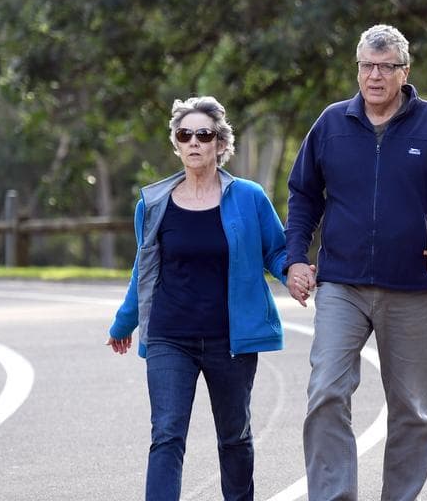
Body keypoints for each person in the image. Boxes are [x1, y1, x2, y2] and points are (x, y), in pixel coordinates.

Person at [284, 24, 427, 501]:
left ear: (403, 72)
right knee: (326, 391)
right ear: (357, 69)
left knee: (411, 407)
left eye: (385, 67)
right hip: (341, 284)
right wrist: (295, 260)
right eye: (366, 66)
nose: (374, 76)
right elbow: (303, 195)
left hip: (411, 283)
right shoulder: (330, 124)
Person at [107, 96, 295, 501]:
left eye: (204, 134)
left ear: (220, 144)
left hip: (231, 340)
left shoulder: (248, 197)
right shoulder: (153, 204)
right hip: (169, 337)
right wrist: (125, 322)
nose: (194, 142)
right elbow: (144, 268)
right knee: (167, 436)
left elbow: (276, 250)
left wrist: (294, 274)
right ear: (176, 143)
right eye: (184, 135)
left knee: (234, 437)